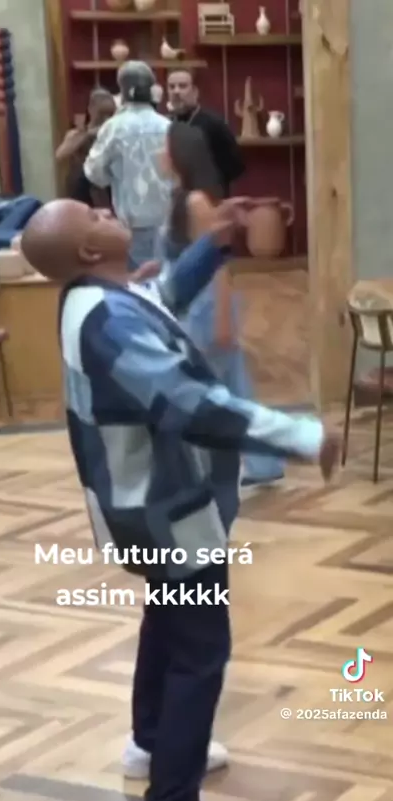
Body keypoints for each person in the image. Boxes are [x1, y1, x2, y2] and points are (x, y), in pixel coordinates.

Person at [21, 198, 340, 801]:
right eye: (92, 214)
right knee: (200, 652)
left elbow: (160, 302)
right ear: (89, 251)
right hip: (165, 511)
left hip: (143, 506)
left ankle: (149, 741)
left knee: (168, 623)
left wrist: (212, 245)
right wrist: (300, 435)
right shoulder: (108, 319)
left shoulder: (97, 301)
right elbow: (189, 403)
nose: (105, 208)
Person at [136, 122, 284, 486]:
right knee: (231, 388)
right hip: (189, 303)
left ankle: (204, 466)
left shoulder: (196, 202)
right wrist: (154, 269)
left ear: (178, 155)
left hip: (204, 307)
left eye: (163, 147)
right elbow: (182, 253)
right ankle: (263, 464)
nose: (158, 154)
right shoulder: (182, 198)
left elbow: (217, 264)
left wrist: (222, 319)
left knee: (206, 388)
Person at [83, 61, 171, 271]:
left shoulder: (113, 128)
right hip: (169, 222)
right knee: (166, 280)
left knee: (138, 281)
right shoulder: (167, 126)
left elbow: (94, 173)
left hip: (132, 223)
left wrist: (115, 175)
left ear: (122, 90)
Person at [167, 68, 244, 197]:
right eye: (171, 87)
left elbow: (235, 167)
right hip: (176, 200)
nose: (176, 91)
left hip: (210, 199)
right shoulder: (165, 124)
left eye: (182, 86)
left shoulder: (214, 125)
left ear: (195, 92)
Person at [55, 88, 115, 204]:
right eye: (102, 114)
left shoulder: (114, 133)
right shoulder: (78, 134)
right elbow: (60, 155)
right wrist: (88, 135)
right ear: (91, 110)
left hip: (106, 188)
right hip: (82, 188)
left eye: (110, 114)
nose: (106, 119)